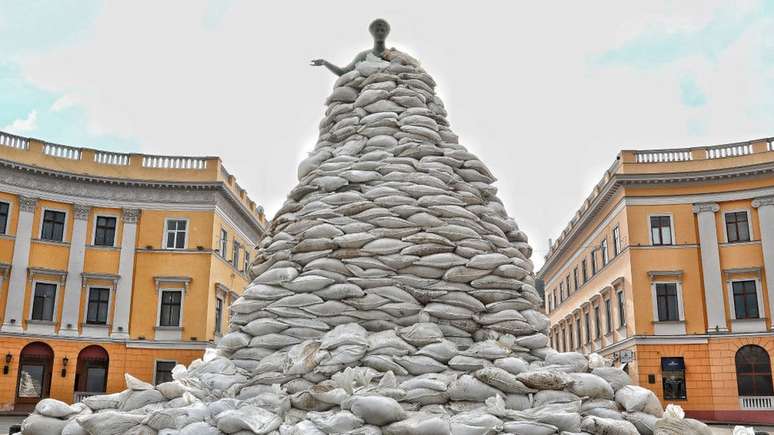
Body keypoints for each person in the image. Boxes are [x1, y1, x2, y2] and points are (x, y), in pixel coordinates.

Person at [311, 19, 390, 76]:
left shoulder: (395, 55)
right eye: (377, 30)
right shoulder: (363, 56)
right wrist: (325, 63)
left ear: (387, 32)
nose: (380, 33)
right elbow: (343, 72)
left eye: (382, 30)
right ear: (372, 32)